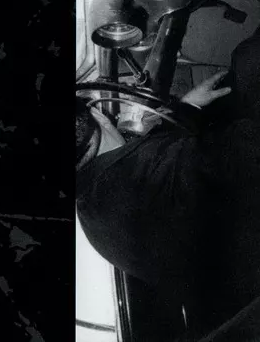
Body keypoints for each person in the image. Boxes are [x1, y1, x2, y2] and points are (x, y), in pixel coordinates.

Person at [76, 25, 260, 340]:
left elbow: (151, 168)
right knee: (251, 58)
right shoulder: (166, 171)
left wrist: (188, 108)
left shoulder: (92, 207)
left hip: (222, 270)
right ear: (101, 115)